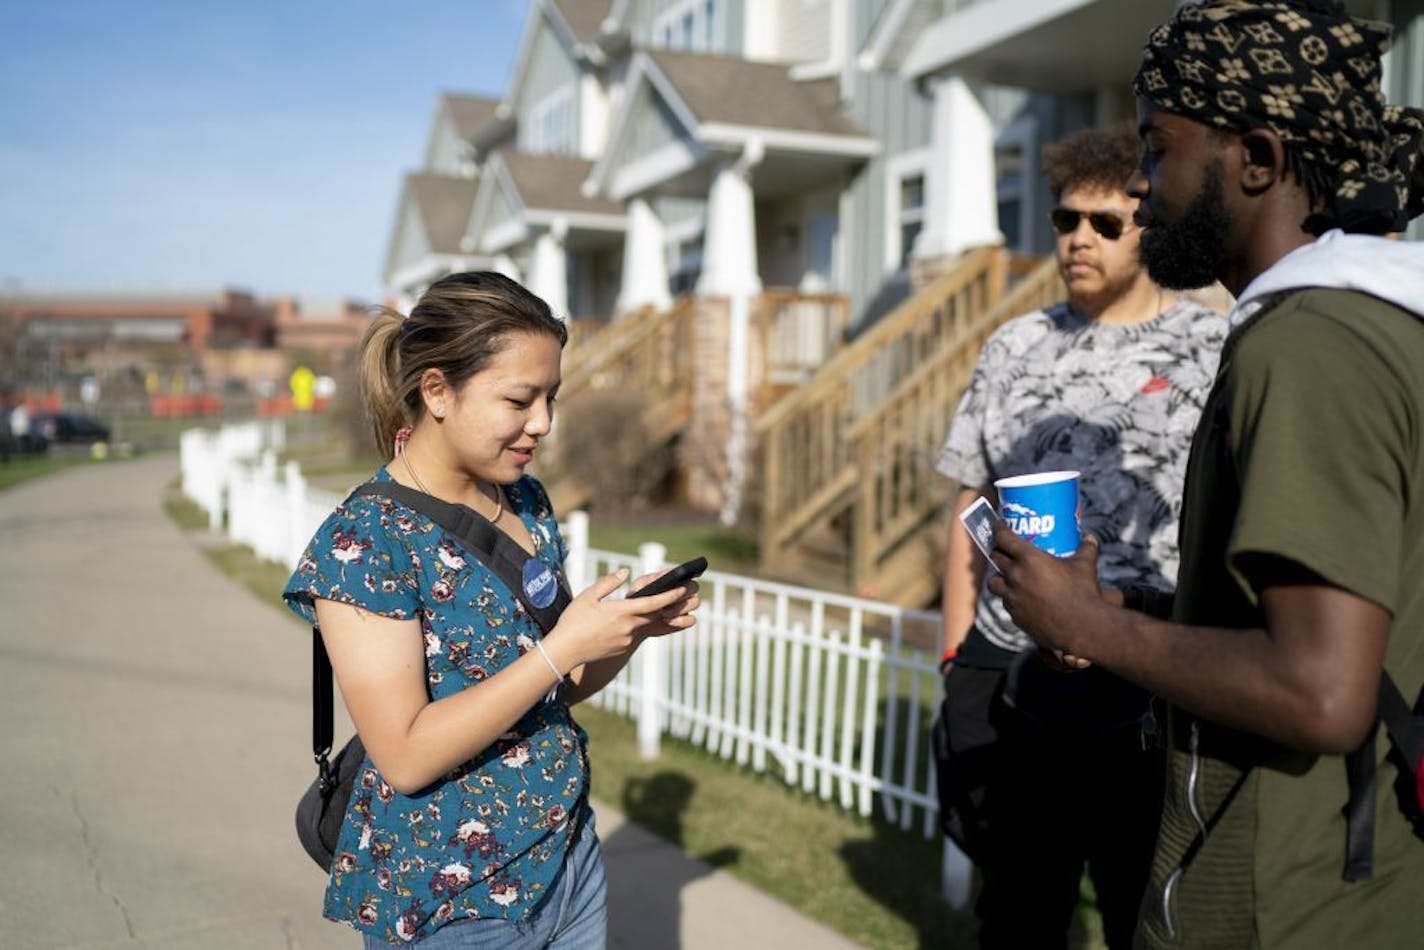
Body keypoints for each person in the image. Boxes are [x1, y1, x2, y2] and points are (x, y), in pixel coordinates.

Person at [988, 1, 1424, 946]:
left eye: (1158, 148)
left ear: (1257, 160)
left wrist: (1087, 623)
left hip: (1289, 905)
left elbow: (1322, 690)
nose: (1141, 186)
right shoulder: (1355, 327)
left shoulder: (1309, 343)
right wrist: (1145, 625)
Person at [284, 271, 700, 947]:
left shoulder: (525, 502)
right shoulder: (364, 542)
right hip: (450, 903)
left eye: (551, 397)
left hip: (569, 859)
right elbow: (406, 756)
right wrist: (562, 647)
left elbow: (553, 692)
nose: (543, 422)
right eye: (519, 399)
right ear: (438, 391)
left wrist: (624, 634)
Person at [932, 123, 1227, 949]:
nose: (1078, 241)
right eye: (1066, 222)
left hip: (1147, 660)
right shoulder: (1015, 347)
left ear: (1148, 226)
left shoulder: (1212, 348)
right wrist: (960, 659)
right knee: (1020, 911)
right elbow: (969, 502)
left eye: (1105, 224)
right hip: (1012, 667)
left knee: (1145, 906)